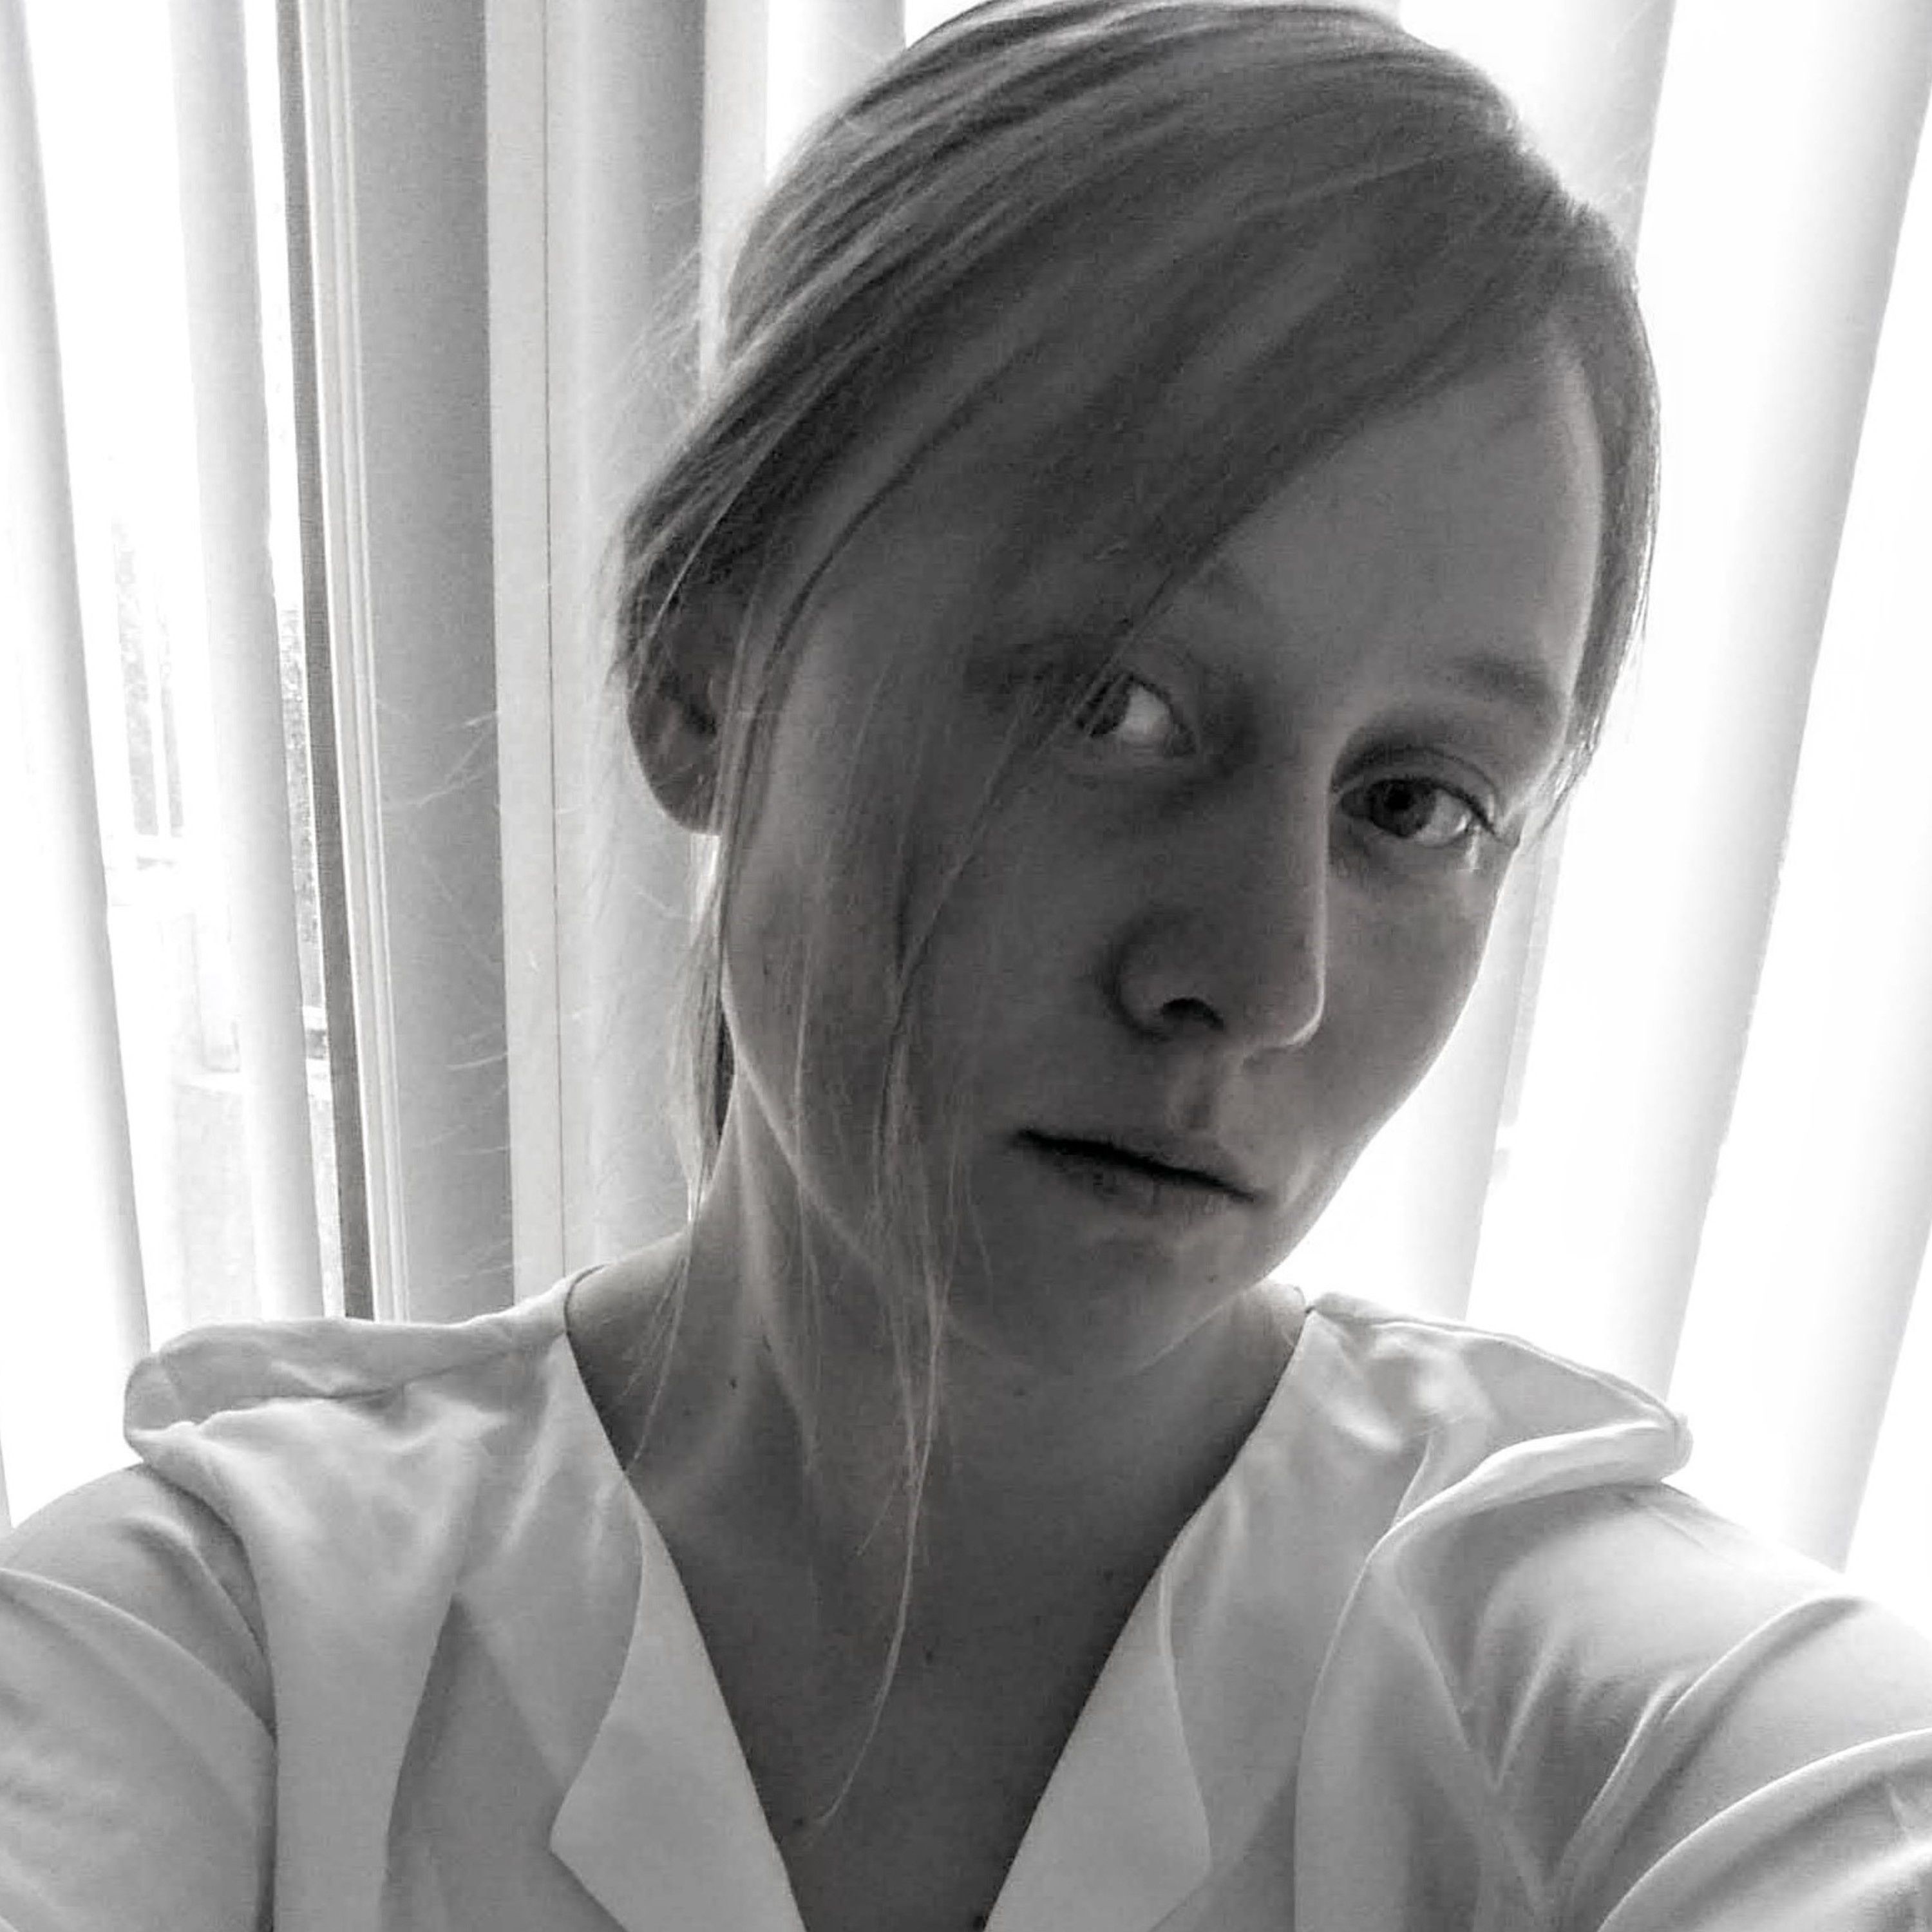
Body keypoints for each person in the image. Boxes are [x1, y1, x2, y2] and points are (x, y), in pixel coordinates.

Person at [5, 2, 1932, 1927]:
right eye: (1117, 703)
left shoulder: (1656, 1726)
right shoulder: (210, 1659)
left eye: (1415, 805)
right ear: (700, 675)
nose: (1263, 978)